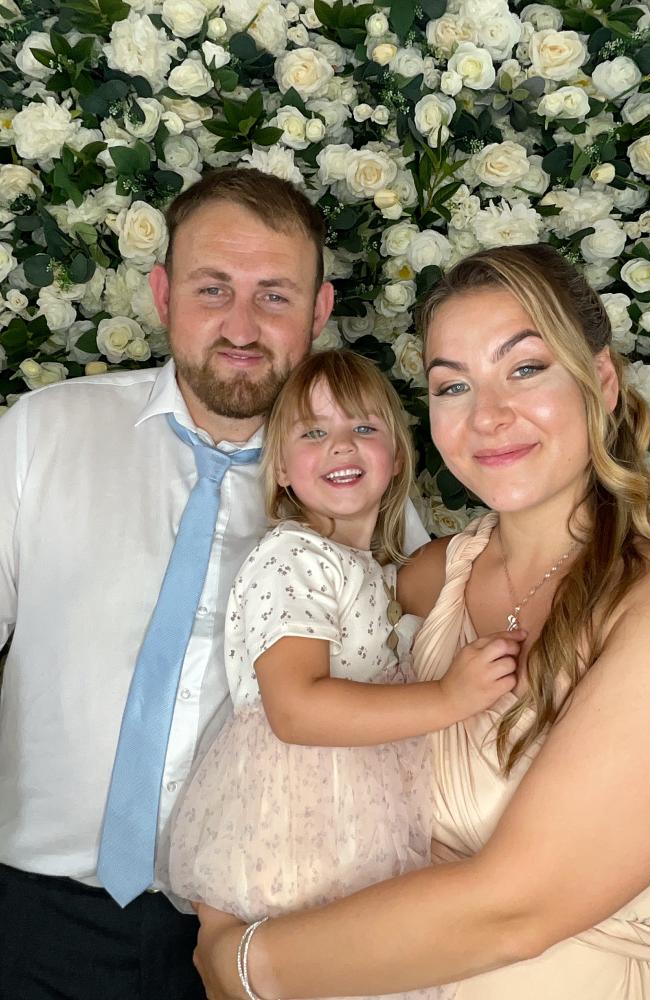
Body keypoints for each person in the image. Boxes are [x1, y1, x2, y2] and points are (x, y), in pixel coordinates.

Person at [194, 244, 650, 1000]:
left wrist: (238, 964)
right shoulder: (435, 574)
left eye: (525, 368)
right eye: (453, 385)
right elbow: (285, 696)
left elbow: (515, 910)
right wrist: (231, 871)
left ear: (602, 381)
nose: (488, 416)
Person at [0, 168, 429, 999]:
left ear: (319, 310)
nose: (241, 325)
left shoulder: (366, 492)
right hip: (31, 913)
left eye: (274, 295)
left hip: (263, 925)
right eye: (212, 288)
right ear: (163, 294)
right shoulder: (43, 433)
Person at [169, 351, 518, 1000]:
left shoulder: (373, 572)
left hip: (353, 831)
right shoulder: (293, 557)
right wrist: (449, 698)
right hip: (292, 835)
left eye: (363, 428)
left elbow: (456, 566)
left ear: (397, 457)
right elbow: (296, 710)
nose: (340, 445)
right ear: (280, 467)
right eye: (313, 432)